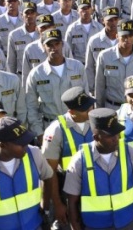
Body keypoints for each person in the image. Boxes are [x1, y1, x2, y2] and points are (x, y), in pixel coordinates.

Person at [64, 108, 133, 230]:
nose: (116, 138)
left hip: (126, 223)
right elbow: (71, 202)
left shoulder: (130, 153)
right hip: (94, 226)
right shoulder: (79, 160)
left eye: (117, 133)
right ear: (96, 137)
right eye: (110, 135)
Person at [40, 87, 95, 229]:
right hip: (68, 192)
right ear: (71, 112)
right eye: (85, 109)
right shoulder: (55, 130)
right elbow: (49, 173)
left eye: (91, 105)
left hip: (95, 190)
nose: (91, 110)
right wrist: (57, 204)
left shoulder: (97, 121)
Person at [26, 29, 88, 136]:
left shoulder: (77, 67)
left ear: (62, 44)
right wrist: (39, 132)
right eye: (49, 45)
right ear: (43, 47)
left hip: (77, 125)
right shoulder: (36, 74)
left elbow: (86, 98)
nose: (54, 48)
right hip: (50, 126)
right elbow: (31, 106)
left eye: (57, 43)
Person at [95, 19, 133, 109]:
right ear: (117, 36)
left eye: (131, 36)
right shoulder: (105, 57)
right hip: (113, 108)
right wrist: (99, 111)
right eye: (124, 36)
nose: (127, 39)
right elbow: (99, 87)